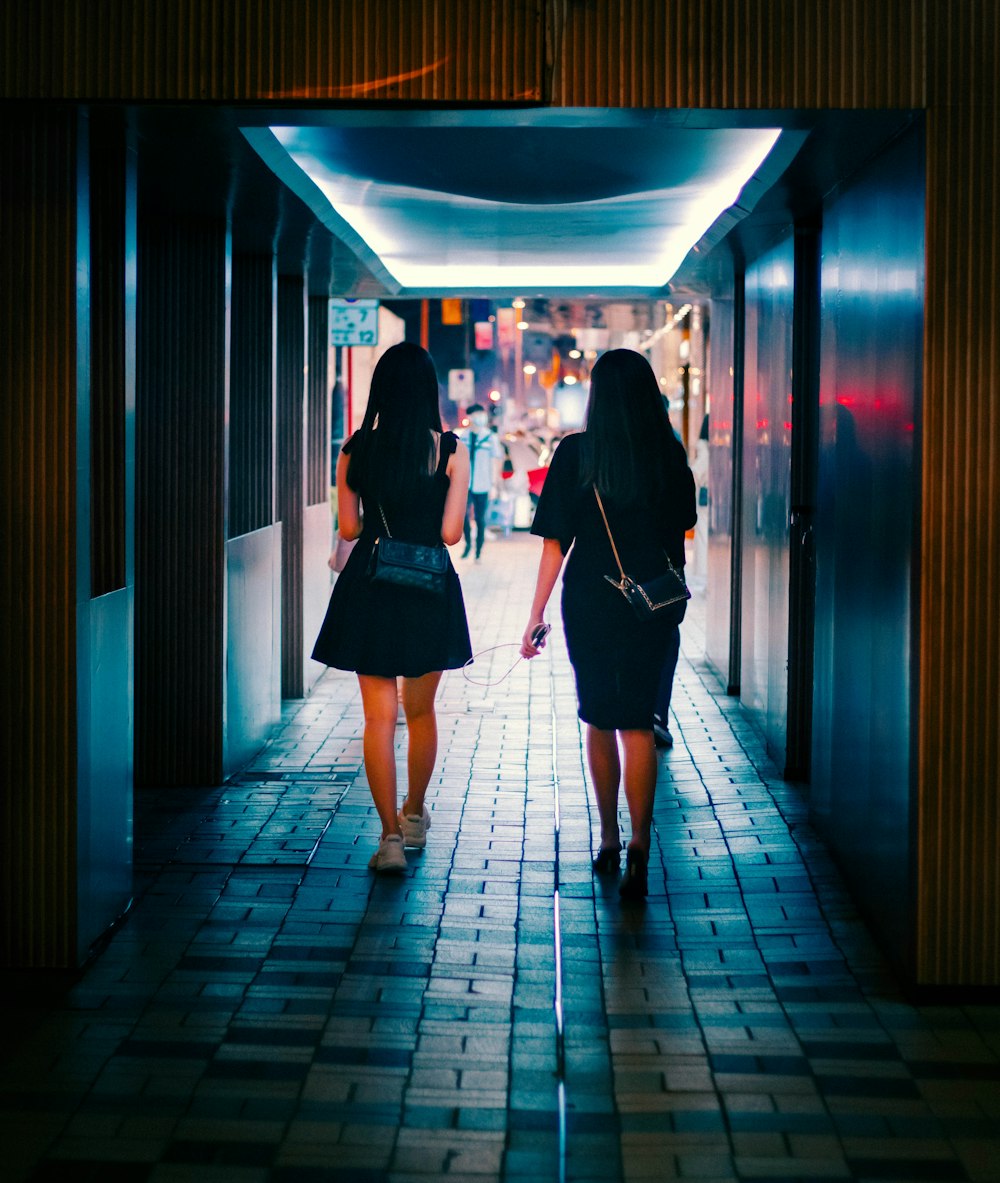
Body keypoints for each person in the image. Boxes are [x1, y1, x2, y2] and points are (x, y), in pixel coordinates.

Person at [521, 349, 696, 900]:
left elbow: (556, 542)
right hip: (655, 605)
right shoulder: (668, 454)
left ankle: (609, 836)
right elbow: (683, 526)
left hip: (592, 601)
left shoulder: (575, 453)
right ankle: (642, 844)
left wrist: (536, 614)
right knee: (639, 721)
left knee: (598, 716)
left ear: (596, 396)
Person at [312, 343, 472, 874]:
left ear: (381, 389)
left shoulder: (356, 448)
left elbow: (351, 529)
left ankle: (388, 840)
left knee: (378, 717)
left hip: (373, 588)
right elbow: (450, 532)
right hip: (428, 589)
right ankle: (415, 814)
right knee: (420, 712)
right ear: (430, 390)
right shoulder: (450, 449)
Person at [461, 404, 504, 560]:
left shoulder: (490, 437)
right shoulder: (463, 437)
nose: (480, 417)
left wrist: (494, 484)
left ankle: (478, 549)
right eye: (477, 414)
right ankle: (467, 544)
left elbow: (496, 460)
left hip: (483, 483)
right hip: (466, 484)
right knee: (463, 515)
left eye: (482, 413)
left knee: (480, 518)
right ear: (470, 417)